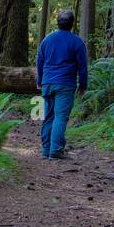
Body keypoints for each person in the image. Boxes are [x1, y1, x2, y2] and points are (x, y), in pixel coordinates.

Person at [35, 9, 88, 159]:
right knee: (60, 117)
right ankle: (55, 151)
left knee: (48, 117)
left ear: (58, 23)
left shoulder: (47, 40)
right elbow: (82, 66)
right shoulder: (77, 42)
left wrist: (40, 81)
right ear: (72, 24)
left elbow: (39, 61)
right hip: (65, 84)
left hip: (48, 83)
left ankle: (46, 151)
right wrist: (83, 85)